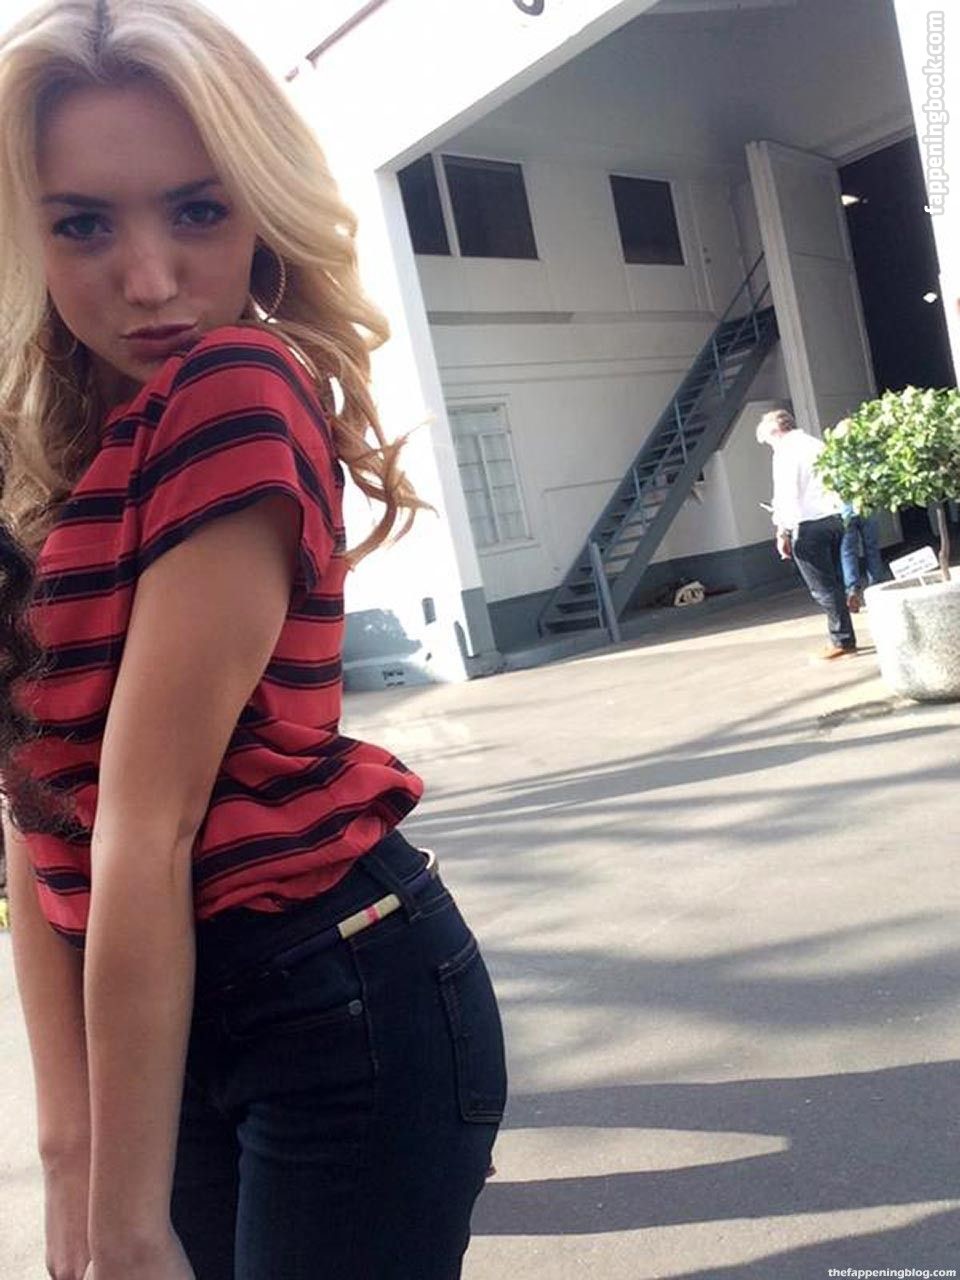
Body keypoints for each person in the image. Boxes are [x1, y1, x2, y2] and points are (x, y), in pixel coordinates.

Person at [0, 3, 507, 1278]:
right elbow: (37, 805)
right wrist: (69, 1154)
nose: (150, 279)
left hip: (329, 996)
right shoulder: (46, 452)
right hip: (154, 1021)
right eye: (83, 224)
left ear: (262, 213)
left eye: (198, 210)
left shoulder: (235, 386)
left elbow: (145, 819)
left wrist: (124, 1225)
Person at [756, 408, 857, 659]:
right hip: (834, 519)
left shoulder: (785, 453)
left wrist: (782, 531)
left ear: (776, 433)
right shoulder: (815, 444)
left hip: (809, 525)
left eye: (768, 441)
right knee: (834, 582)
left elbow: (788, 495)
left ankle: (842, 640)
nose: (770, 447)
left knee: (822, 588)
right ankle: (845, 635)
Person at [839, 501, 888, 612]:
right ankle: (876, 585)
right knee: (872, 549)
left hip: (845, 513)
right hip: (866, 507)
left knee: (848, 552)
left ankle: (852, 589)